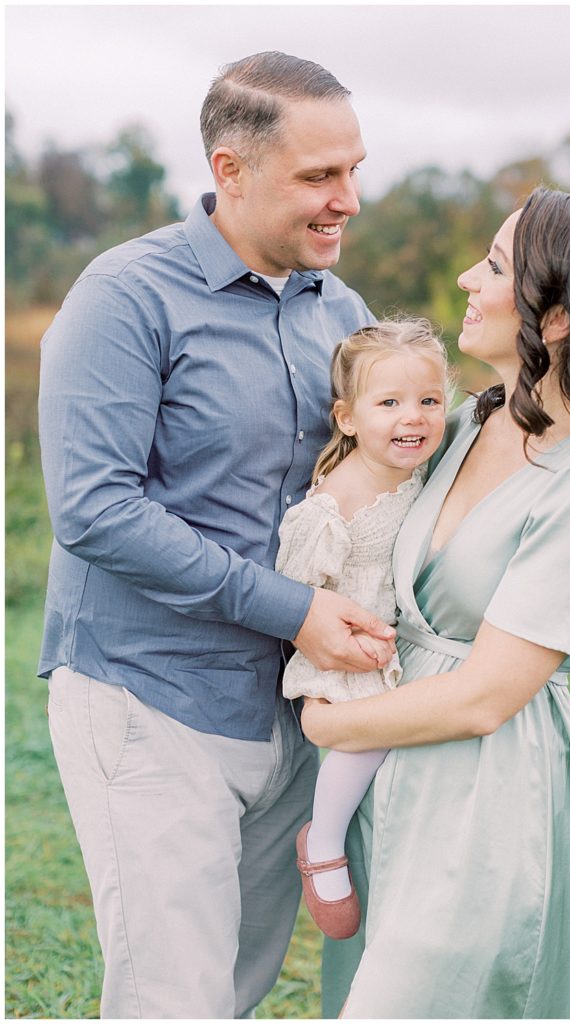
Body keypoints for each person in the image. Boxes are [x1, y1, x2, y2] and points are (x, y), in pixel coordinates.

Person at [37, 51, 397, 1020]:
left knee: (230, 991)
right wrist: (297, 609)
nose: (347, 199)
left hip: (289, 711)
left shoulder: (346, 316)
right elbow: (94, 508)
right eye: (319, 176)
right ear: (230, 170)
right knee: (172, 998)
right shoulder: (125, 297)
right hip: (148, 696)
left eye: (353, 169)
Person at [302, 187, 570, 1019]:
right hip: (392, 779)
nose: (470, 278)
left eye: (497, 265)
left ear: (554, 319)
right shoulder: (473, 419)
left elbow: (485, 698)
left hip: (486, 797)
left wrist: (328, 726)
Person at [275, 320, 450, 939]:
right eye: (391, 403)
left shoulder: (427, 469)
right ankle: (322, 841)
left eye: (430, 401)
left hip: (406, 638)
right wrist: (341, 636)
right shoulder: (334, 505)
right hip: (349, 648)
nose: (415, 417)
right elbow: (300, 596)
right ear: (347, 418)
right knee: (365, 736)